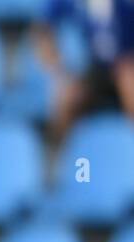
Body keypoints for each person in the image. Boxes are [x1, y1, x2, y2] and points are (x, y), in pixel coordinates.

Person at [35, 0, 134, 139]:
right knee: (66, 98)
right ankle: (64, 153)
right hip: (95, 68)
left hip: (128, 63)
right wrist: (58, 68)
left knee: (130, 84)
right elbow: (44, 28)